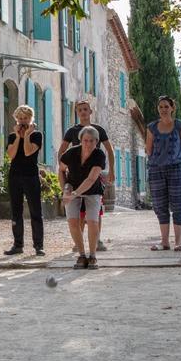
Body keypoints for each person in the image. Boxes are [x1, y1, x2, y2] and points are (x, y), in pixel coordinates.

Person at [58, 100, 116, 251]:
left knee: (95, 210)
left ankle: (97, 239)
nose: (83, 112)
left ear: (90, 111)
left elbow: (109, 150)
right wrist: (63, 170)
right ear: (77, 113)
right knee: (79, 212)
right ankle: (79, 242)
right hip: (76, 175)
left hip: (94, 173)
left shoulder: (99, 130)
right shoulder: (72, 131)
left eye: (85, 109)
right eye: (80, 110)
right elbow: (62, 150)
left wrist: (112, 171)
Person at [145, 95, 181, 251]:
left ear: (172, 108)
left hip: (176, 169)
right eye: (161, 107)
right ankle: (164, 241)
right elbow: (148, 150)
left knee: (178, 204)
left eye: (166, 106)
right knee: (160, 206)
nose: (163, 109)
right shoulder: (151, 127)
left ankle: (178, 241)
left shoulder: (180, 126)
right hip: (156, 170)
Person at [59, 126, 107, 268]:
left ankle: (92, 256)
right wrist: (65, 190)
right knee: (73, 221)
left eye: (92, 141)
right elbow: (61, 170)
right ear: (80, 140)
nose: (88, 144)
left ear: (96, 142)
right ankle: (81, 255)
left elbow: (91, 179)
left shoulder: (99, 155)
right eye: (85, 140)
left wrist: (74, 194)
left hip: (92, 190)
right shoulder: (71, 153)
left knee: (92, 221)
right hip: (72, 187)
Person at [4, 104, 46, 256]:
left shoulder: (37, 135)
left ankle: (39, 246)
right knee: (16, 211)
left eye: (25, 118)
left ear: (30, 119)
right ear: (16, 119)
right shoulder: (11, 136)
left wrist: (27, 135)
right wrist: (17, 137)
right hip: (15, 176)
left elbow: (28, 152)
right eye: (20, 118)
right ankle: (18, 245)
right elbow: (11, 155)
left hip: (31, 176)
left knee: (36, 211)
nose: (22, 121)